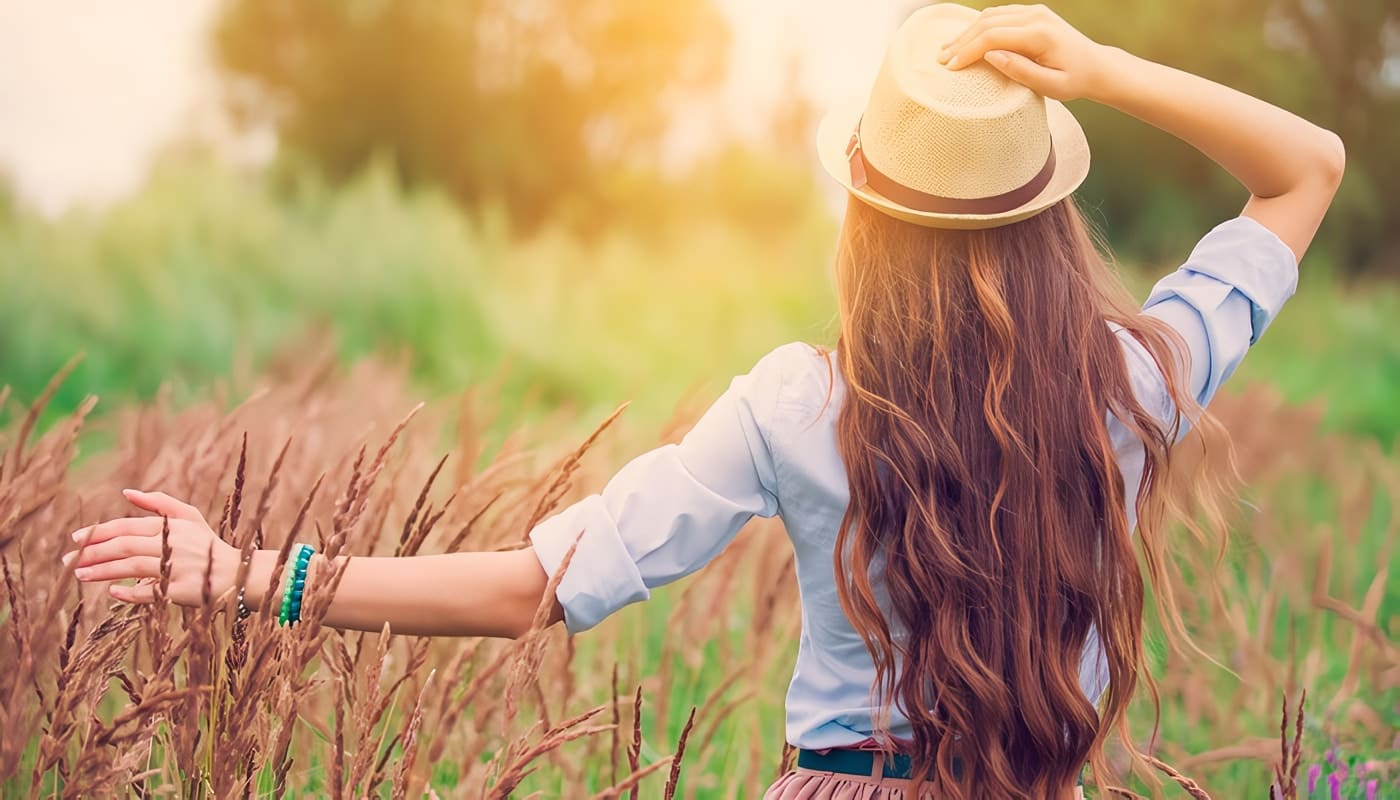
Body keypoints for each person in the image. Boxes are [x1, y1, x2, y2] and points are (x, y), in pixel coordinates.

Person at [64, 3, 1343, 797]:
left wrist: (244, 569)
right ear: (1045, 215)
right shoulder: (1131, 382)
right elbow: (1305, 171)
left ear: (865, 216)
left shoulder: (798, 406)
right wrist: (1104, 65)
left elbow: (527, 589)